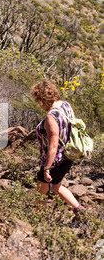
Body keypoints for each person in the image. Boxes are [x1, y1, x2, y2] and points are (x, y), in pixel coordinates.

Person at [30, 80, 84, 219]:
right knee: (56, 186)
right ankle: (79, 209)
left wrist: (47, 168)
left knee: (41, 190)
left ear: (42, 99)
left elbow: (53, 145)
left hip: (55, 159)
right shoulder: (66, 105)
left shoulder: (51, 116)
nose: (39, 105)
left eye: (38, 101)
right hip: (68, 155)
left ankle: (37, 220)